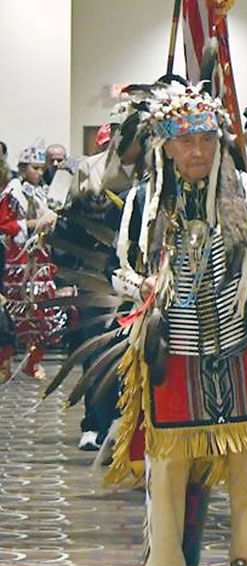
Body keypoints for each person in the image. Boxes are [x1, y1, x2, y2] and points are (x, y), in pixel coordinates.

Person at [106, 79, 247, 566]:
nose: (198, 150)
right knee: (167, 467)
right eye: (186, 140)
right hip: (173, 351)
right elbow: (117, 266)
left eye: (207, 139)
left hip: (238, 345)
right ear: (165, 144)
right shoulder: (145, 202)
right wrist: (140, 285)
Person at [61, 105, 142, 451]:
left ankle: (128, 425)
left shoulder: (157, 170)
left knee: (136, 352)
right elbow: (70, 226)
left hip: (139, 274)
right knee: (97, 350)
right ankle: (95, 422)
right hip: (96, 274)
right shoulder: (89, 171)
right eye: (121, 129)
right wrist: (66, 272)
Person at [0, 140, 63, 381]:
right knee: (15, 311)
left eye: (41, 168)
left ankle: (33, 361)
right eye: (34, 168)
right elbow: (4, 224)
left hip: (39, 258)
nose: (39, 172)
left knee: (40, 311)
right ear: (23, 167)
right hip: (18, 260)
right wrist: (32, 224)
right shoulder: (13, 192)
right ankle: (4, 362)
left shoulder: (41, 192)